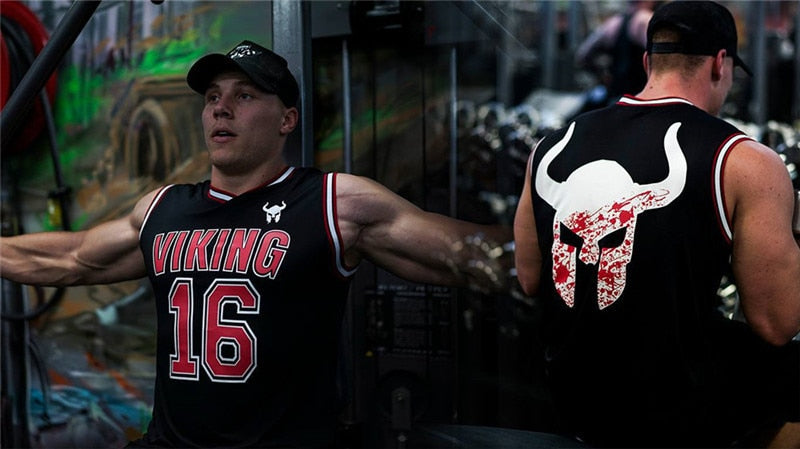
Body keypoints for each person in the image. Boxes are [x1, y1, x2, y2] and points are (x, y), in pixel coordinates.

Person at [0, 40, 512, 448]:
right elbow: (70, 257)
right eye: (213, 97)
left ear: (286, 119)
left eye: (244, 96)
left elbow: (473, 255)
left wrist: (557, 213)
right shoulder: (163, 209)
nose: (221, 108)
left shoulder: (333, 204)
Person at [514, 1, 800, 447]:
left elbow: (531, 278)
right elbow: (776, 323)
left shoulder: (551, 147)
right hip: (676, 409)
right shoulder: (743, 160)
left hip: (572, 396)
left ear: (648, 61)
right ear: (720, 63)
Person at [575, 1, 661, 103]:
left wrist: (602, 75)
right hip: (641, 98)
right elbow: (660, 57)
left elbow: (583, 55)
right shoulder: (645, 21)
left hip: (615, 98)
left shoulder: (612, 23)